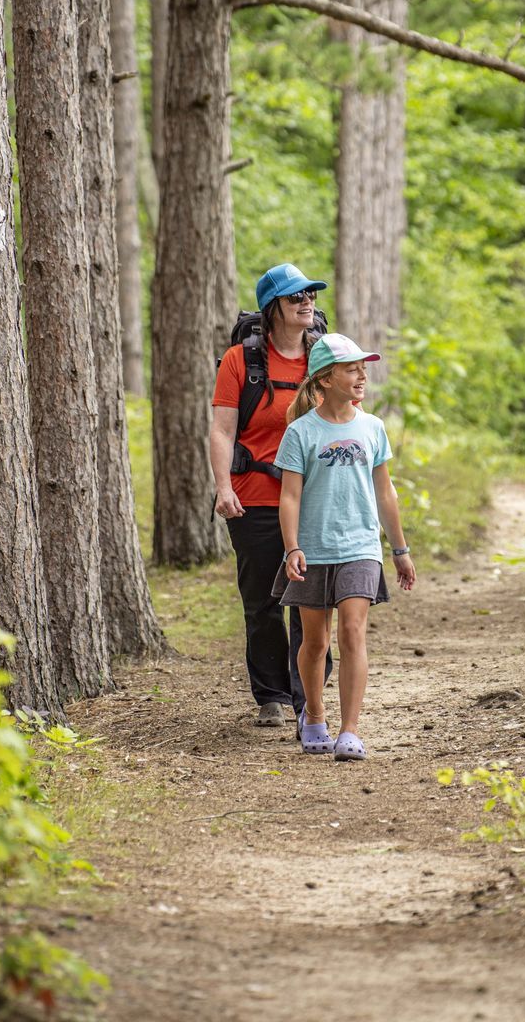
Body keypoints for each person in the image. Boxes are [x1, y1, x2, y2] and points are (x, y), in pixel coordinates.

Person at [275, 334, 416, 761]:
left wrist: (399, 549)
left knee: (353, 632)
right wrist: (292, 547)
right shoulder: (301, 432)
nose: (361, 375)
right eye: (352, 368)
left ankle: (350, 730)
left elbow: (385, 492)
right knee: (315, 642)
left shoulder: (372, 427)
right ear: (326, 377)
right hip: (314, 549)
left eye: (363, 367)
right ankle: (314, 716)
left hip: (360, 546)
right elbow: (290, 497)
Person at [210, 262, 331, 729]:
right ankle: (272, 695)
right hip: (254, 497)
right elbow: (223, 430)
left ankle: (310, 699)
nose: (307, 302)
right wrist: (223, 487)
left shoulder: (324, 358)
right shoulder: (240, 361)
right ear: (272, 307)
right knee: (262, 601)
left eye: (311, 296)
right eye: (296, 296)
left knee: (312, 600)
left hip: (313, 500)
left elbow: (347, 423)